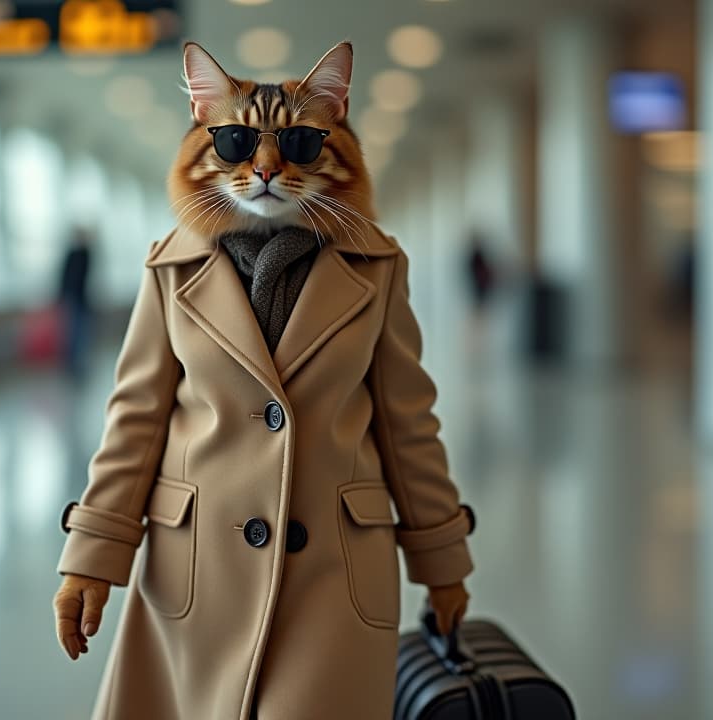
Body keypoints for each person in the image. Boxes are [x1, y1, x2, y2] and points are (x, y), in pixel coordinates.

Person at [52, 42, 474, 720]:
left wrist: (442, 559)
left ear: (338, 129)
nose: (268, 166)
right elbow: (134, 420)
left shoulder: (378, 267)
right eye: (236, 141)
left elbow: (408, 426)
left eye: (302, 143)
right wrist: (91, 557)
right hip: (198, 572)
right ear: (200, 133)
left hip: (335, 573)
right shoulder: (167, 269)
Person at [57, 228, 93, 379]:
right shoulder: (77, 254)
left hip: (79, 298)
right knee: (74, 331)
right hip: (74, 298)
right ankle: (71, 363)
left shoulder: (84, 253)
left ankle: (75, 363)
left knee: (78, 331)